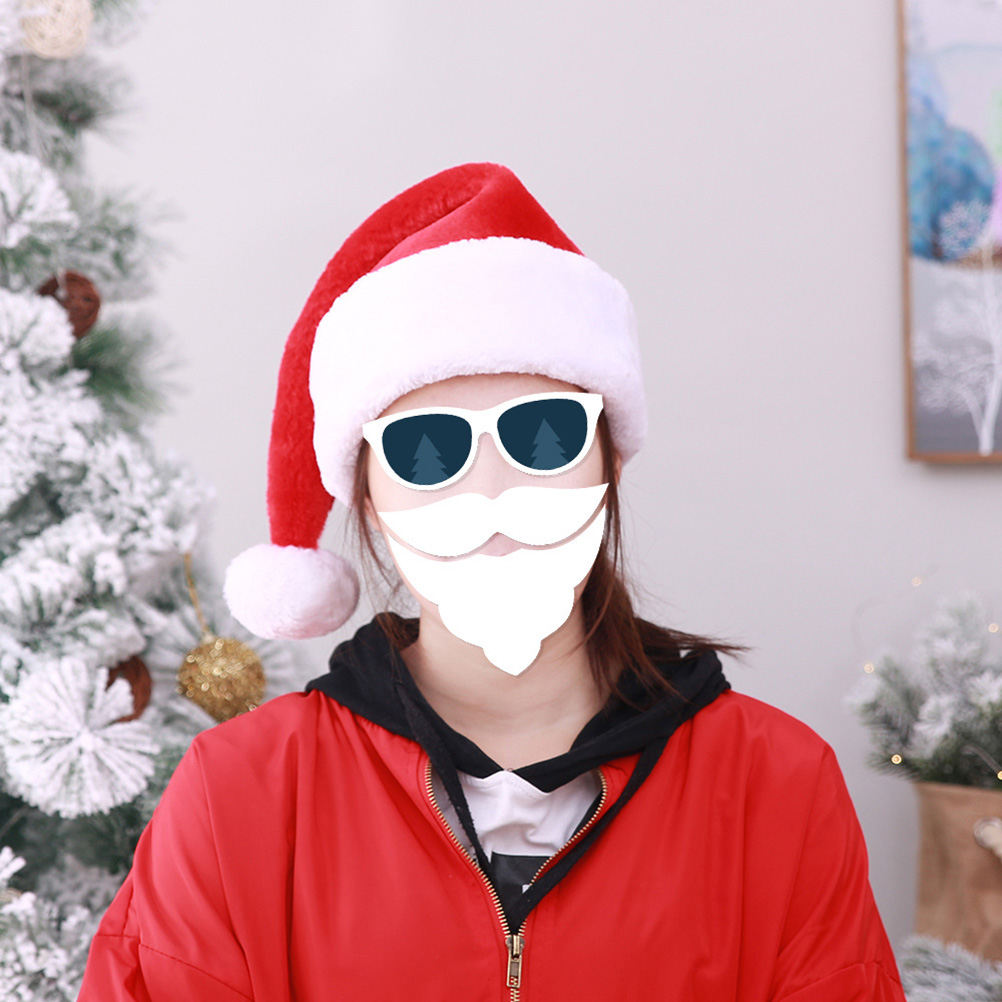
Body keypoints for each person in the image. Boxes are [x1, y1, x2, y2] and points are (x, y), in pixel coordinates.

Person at [78, 163, 906, 1001]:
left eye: (543, 435)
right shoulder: (240, 792)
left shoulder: (775, 784)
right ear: (368, 500)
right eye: (426, 450)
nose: (491, 493)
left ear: (610, 462)